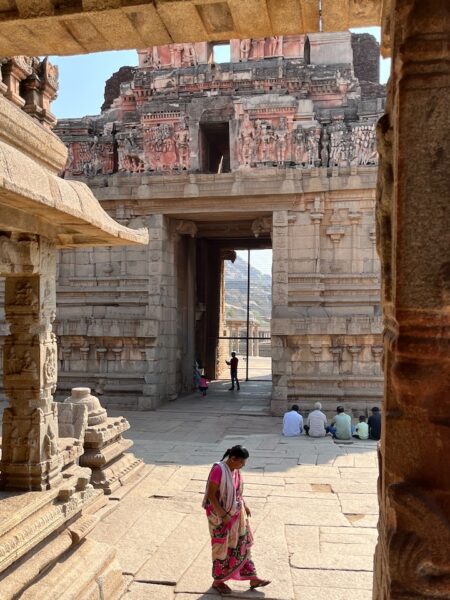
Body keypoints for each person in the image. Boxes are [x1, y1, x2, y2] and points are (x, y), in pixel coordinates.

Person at [203, 445, 270, 595]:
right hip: (219, 518)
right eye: (241, 462)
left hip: (236, 515)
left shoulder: (235, 471)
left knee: (242, 545)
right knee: (222, 549)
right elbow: (211, 495)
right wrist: (223, 514)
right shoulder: (218, 470)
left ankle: (253, 577)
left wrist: (245, 505)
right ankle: (218, 581)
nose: (243, 466)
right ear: (232, 459)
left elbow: (237, 492)